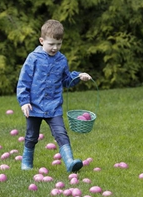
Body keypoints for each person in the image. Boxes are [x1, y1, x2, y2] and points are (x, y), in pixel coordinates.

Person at [16, 19, 92, 173]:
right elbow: (23, 81)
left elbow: (66, 80)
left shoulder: (61, 60)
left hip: (53, 106)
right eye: (51, 44)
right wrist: (24, 101)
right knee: (32, 136)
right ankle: (26, 162)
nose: (55, 48)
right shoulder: (33, 58)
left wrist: (78, 77)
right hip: (34, 106)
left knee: (61, 133)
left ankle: (70, 162)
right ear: (42, 41)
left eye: (59, 44)